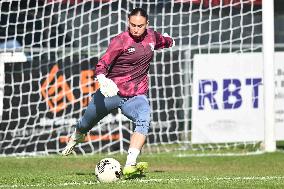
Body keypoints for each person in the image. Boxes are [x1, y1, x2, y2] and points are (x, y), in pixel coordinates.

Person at [62, 7, 174, 178]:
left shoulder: (152, 36)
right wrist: (101, 78)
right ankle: (77, 136)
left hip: (136, 95)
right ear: (128, 22)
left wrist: (170, 40)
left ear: (147, 24)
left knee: (144, 119)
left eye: (140, 26)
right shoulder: (120, 41)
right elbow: (103, 64)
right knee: (86, 123)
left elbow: (163, 41)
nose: (136, 29)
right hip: (111, 92)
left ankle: (130, 164)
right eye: (132, 25)